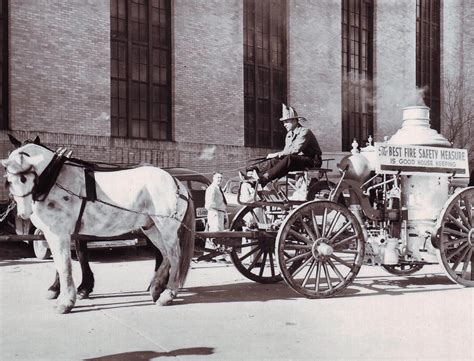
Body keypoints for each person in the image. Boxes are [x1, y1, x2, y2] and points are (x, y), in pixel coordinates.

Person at [241, 104, 322, 188]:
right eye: (284, 122)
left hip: (313, 161)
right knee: (277, 160)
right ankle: (255, 175)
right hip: (298, 160)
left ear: (294, 121)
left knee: (288, 158)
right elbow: (285, 153)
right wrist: (276, 156)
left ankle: (264, 179)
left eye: (286, 122)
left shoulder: (304, 132)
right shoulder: (289, 135)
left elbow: (295, 150)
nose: (284, 124)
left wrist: (276, 154)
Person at [204, 172, 228, 258]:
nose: (220, 180)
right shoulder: (212, 188)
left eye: (221, 178)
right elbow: (208, 204)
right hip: (215, 213)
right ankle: (211, 255)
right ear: (213, 178)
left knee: (218, 233)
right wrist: (216, 209)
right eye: (218, 178)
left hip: (219, 212)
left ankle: (217, 255)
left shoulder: (218, 188)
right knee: (214, 234)